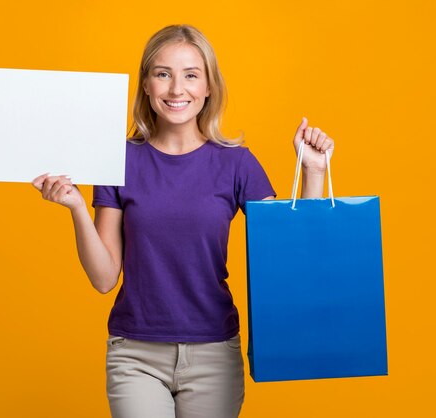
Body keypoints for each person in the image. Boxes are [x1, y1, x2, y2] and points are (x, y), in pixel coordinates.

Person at [32, 24, 334, 418]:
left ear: (209, 87)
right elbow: (105, 279)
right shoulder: (117, 160)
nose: (177, 89)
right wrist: (75, 206)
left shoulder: (236, 163)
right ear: (145, 84)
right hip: (135, 354)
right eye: (163, 74)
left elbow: (292, 255)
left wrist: (312, 172)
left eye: (191, 75)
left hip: (214, 353)